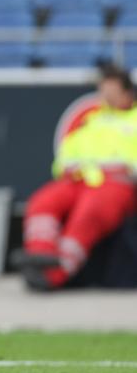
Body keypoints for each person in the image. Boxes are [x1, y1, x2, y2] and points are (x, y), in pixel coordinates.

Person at [15, 65, 137, 290]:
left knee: (88, 213)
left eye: (111, 92)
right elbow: (65, 155)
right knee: (43, 201)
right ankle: (40, 257)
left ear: (127, 93)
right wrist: (71, 167)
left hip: (117, 184)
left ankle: (56, 273)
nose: (106, 97)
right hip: (79, 179)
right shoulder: (91, 119)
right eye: (103, 92)